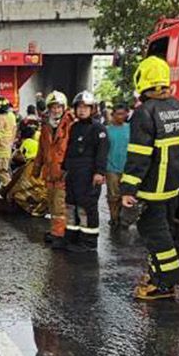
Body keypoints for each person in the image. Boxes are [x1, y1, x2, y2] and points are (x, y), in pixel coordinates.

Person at [121, 56, 179, 301]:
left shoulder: (144, 113)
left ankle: (164, 284)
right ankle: (157, 274)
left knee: (155, 234)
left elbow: (139, 155)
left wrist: (129, 188)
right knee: (165, 230)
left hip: (152, 188)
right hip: (173, 185)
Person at [62, 91, 110, 249]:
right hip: (73, 173)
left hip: (89, 173)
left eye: (86, 107)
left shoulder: (98, 128)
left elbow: (102, 152)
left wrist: (99, 172)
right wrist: (64, 168)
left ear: (92, 109)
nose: (82, 110)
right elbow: (69, 150)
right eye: (79, 107)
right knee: (71, 205)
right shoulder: (74, 127)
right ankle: (72, 237)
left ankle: (88, 242)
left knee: (86, 206)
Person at [35, 90, 70, 245]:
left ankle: (59, 235)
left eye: (59, 107)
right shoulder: (46, 127)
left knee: (59, 205)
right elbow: (41, 150)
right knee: (51, 203)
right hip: (50, 172)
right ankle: (55, 231)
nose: (56, 110)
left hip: (62, 172)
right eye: (53, 107)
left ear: (64, 108)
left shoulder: (70, 126)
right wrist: (37, 168)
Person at [103, 97, 133, 233]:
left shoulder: (131, 129)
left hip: (128, 168)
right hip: (111, 168)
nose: (120, 116)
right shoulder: (107, 130)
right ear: (113, 114)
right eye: (118, 114)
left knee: (127, 194)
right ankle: (114, 218)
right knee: (113, 196)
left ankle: (123, 219)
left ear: (127, 114)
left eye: (123, 114)